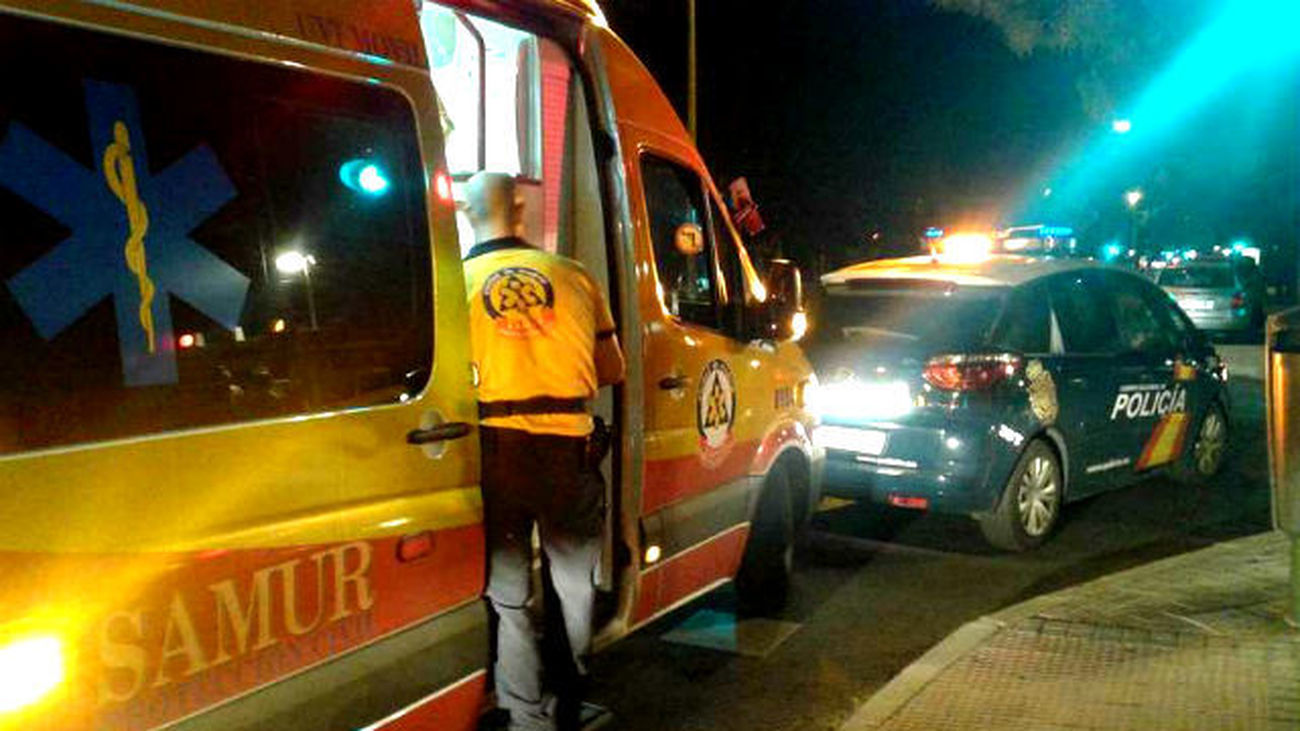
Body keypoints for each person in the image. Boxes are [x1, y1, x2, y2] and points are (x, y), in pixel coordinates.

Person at [461, 171, 625, 731]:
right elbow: (613, 369)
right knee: (573, 586)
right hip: (568, 453)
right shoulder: (575, 277)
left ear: (466, 214)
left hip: (497, 456)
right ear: (520, 209)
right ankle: (570, 699)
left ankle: (525, 713)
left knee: (508, 593)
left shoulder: (456, 283)